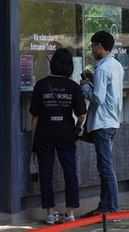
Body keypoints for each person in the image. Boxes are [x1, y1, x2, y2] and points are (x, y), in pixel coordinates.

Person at [30, 48, 87, 224]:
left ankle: (50, 214)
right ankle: (70, 213)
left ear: (52, 64)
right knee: (70, 172)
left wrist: (33, 140)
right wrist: (79, 127)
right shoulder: (73, 86)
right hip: (66, 134)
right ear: (70, 66)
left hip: (44, 134)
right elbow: (82, 114)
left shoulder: (41, 85)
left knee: (45, 173)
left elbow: (35, 116)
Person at [79, 31, 124, 218]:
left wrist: (84, 86)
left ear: (99, 46)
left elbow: (98, 97)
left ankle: (110, 208)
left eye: (92, 46)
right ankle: (104, 206)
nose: (91, 50)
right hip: (112, 121)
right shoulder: (116, 65)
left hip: (102, 123)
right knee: (105, 167)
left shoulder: (102, 68)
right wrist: (92, 80)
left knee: (106, 168)